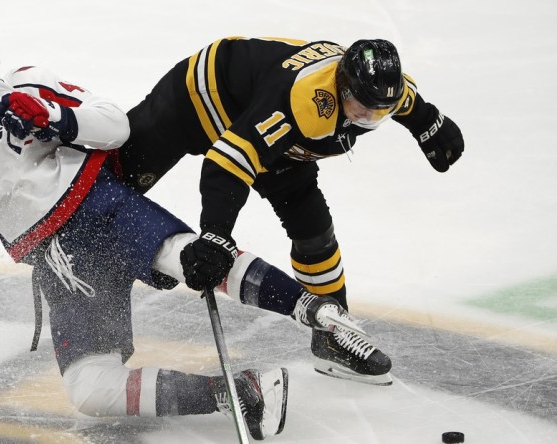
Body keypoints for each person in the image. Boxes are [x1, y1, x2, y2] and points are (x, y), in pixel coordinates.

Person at [0, 6, 389, 439]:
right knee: (89, 389)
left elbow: (115, 125)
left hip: (98, 207)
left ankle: (323, 319)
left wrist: (54, 117)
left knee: (195, 258)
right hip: (56, 259)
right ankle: (237, 392)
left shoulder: (30, 81)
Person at [116, 37, 465, 385]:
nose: (368, 118)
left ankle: (332, 334)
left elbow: (406, 103)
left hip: (278, 134)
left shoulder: (379, 90)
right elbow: (228, 162)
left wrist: (429, 122)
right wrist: (216, 233)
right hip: (199, 98)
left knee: (313, 228)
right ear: (342, 86)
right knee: (114, 180)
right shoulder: (303, 102)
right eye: (364, 107)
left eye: (379, 113)